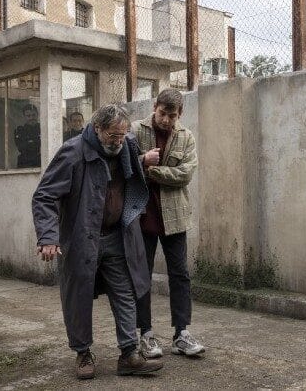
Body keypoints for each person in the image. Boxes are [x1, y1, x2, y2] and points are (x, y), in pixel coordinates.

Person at [32, 104, 164, 380]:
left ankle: (129, 353)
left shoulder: (126, 147)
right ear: (97, 128)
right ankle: (82, 352)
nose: (118, 141)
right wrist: (48, 236)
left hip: (118, 236)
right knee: (78, 297)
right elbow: (44, 195)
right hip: (83, 238)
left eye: (122, 134)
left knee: (125, 292)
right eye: (113, 135)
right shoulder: (73, 152)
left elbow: (131, 175)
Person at [131, 88, 204, 358]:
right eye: (162, 113)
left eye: (171, 116)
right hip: (142, 216)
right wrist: (142, 160)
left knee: (180, 274)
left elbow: (185, 174)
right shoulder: (136, 131)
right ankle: (146, 334)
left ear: (179, 114)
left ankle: (181, 334)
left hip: (175, 217)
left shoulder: (186, 137)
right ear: (155, 106)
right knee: (142, 276)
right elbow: (123, 166)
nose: (166, 120)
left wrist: (153, 171)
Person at [14, 103, 41, 168]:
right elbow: (21, 147)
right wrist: (36, 141)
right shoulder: (20, 130)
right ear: (24, 117)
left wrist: (30, 141)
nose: (31, 118)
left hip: (40, 161)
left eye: (33, 115)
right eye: (28, 116)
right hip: (24, 163)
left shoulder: (42, 128)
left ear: (37, 115)